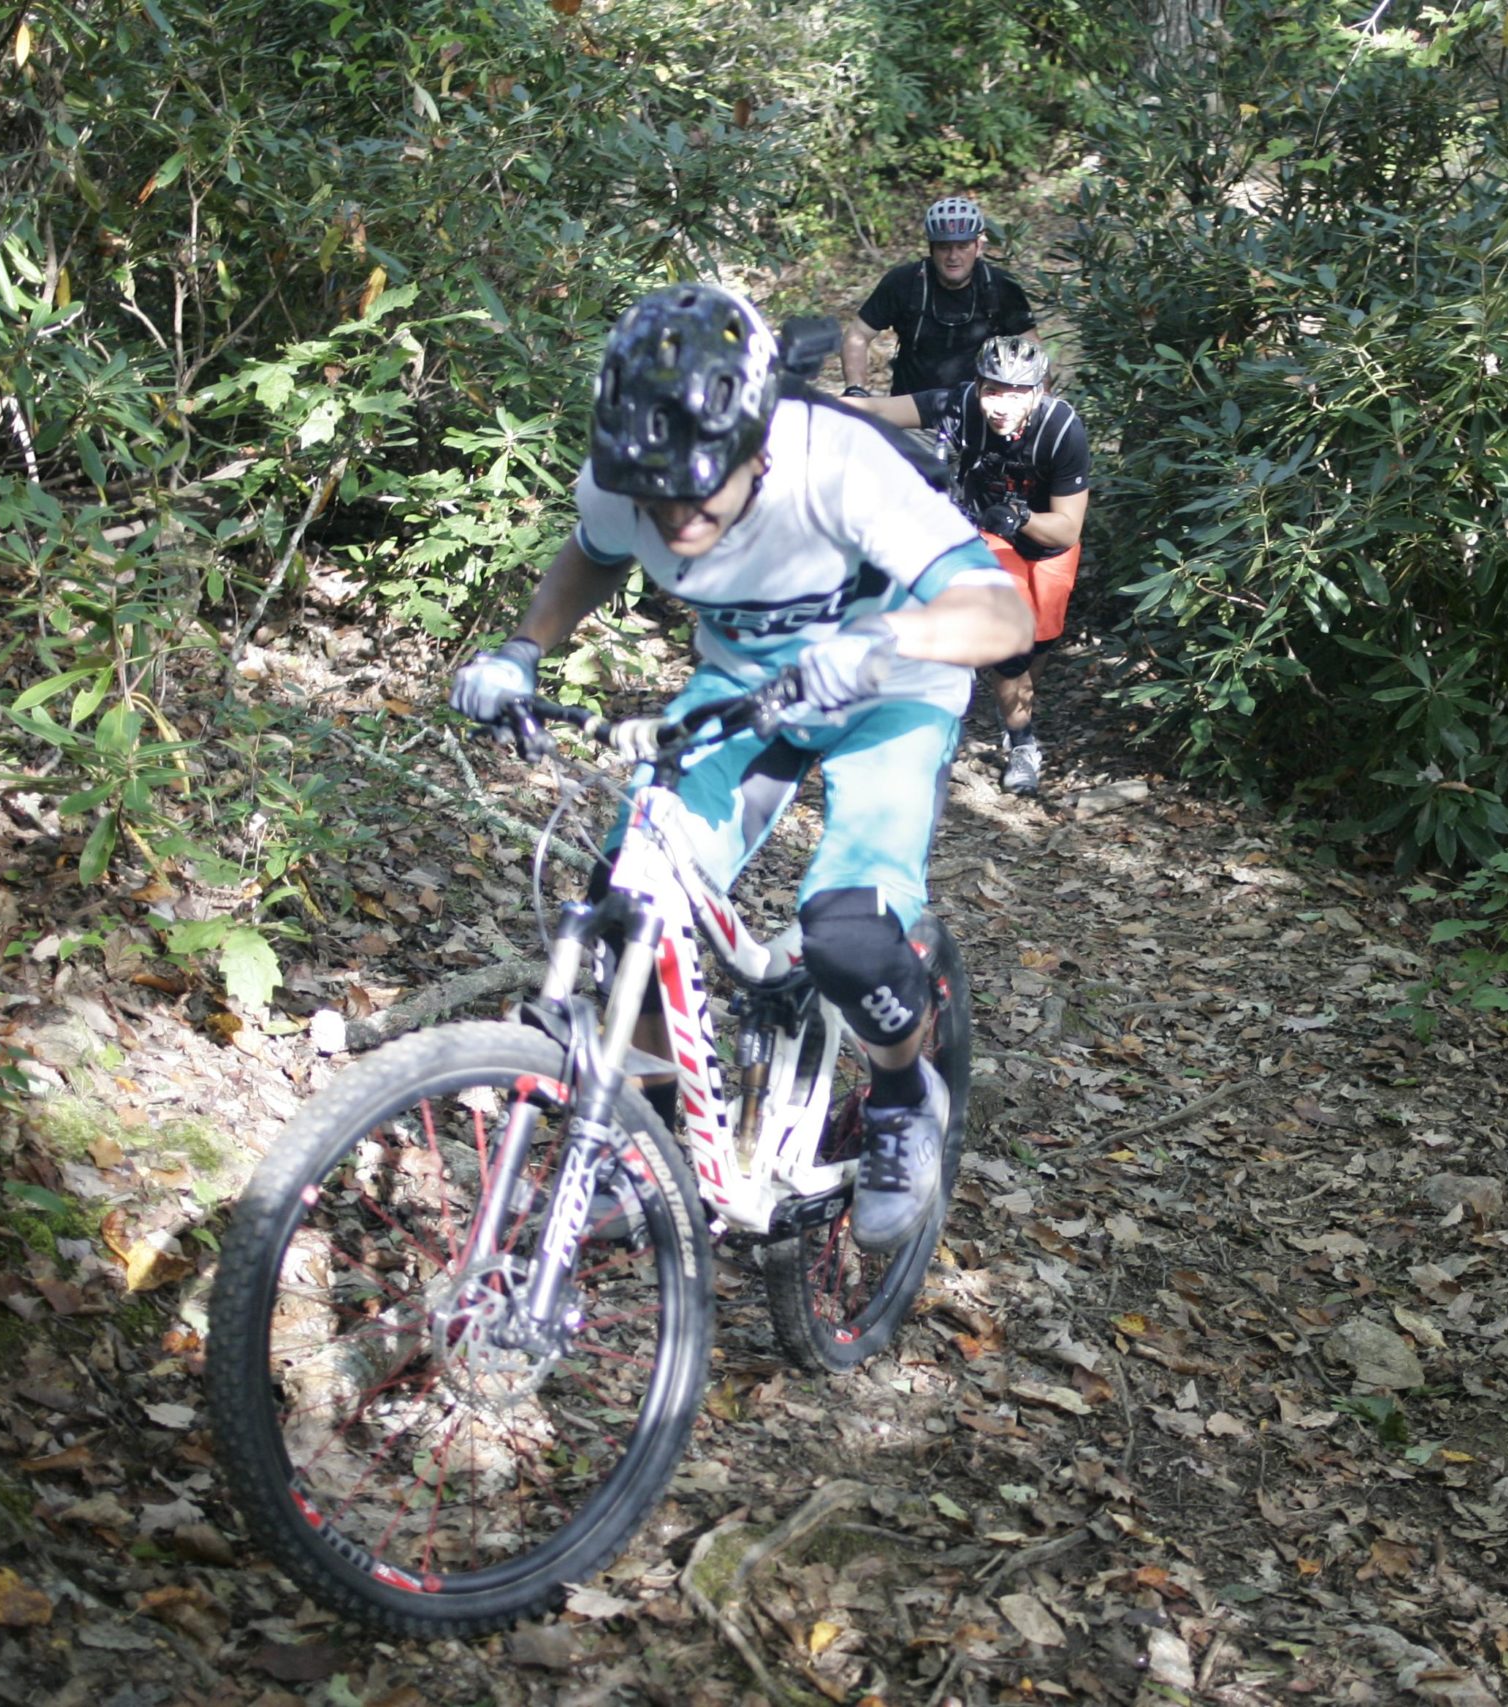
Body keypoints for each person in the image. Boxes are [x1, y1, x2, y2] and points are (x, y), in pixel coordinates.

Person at [448, 283, 1033, 1251]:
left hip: (894, 684)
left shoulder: (836, 468)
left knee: (846, 931)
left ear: (758, 444)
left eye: (698, 486)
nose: (673, 514)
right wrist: (520, 650)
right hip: (745, 692)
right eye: (654, 489)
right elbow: (593, 552)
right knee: (632, 900)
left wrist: (887, 637)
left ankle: (898, 1098)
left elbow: (1003, 617)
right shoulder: (627, 477)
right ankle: (642, 1141)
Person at [844, 335, 1088, 797]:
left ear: (1040, 391)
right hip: (991, 536)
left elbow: (1068, 529)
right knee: (1010, 645)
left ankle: (1015, 706)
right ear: (977, 386)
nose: (1002, 404)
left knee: (1041, 642)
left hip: (1048, 539)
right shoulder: (958, 406)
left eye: (1016, 393)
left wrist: (1023, 516)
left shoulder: (1061, 430)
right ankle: (1023, 743)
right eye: (993, 390)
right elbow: (877, 409)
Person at [843, 195, 1037, 398]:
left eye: (962, 247)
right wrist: (855, 389)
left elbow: (1030, 345)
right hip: (910, 408)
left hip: (980, 410)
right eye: (944, 247)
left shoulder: (1000, 285)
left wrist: (1041, 401)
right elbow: (857, 333)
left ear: (978, 247)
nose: (953, 256)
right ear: (931, 248)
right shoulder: (903, 282)